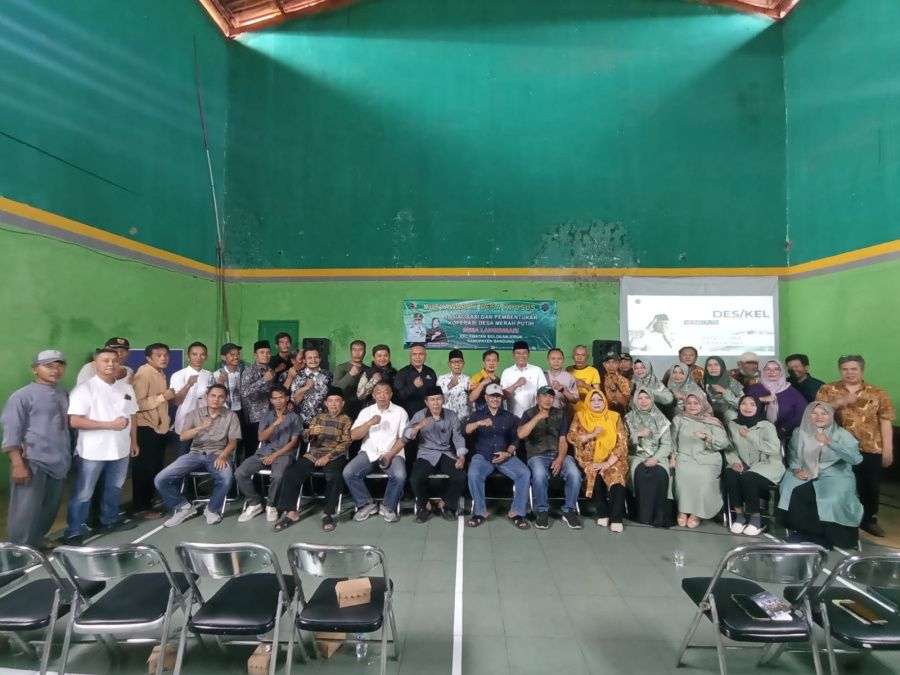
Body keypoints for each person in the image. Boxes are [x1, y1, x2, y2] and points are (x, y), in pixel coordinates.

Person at [64, 348, 139, 544]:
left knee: (114, 488)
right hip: (92, 452)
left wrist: (134, 441)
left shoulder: (126, 388)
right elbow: (75, 421)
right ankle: (74, 530)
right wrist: (109, 425)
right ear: (95, 363)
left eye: (115, 360)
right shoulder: (84, 389)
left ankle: (109, 520)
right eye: (105, 360)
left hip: (121, 450)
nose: (111, 364)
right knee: (84, 492)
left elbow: (132, 416)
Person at [816, 355, 895, 538]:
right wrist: (839, 402)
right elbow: (817, 412)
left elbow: (885, 421)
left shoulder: (878, 393)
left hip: (870, 447)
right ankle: (839, 520)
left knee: (870, 486)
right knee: (840, 485)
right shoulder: (828, 389)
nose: (849, 372)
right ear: (840, 370)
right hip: (836, 448)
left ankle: (868, 520)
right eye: (845, 369)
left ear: (862, 370)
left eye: (854, 369)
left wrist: (888, 449)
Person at [2, 350, 71, 548]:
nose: (55, 370)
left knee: (49, 508)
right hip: (32, 461)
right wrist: (18, 464)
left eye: (59, 365)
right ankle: (19, 552)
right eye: (49, 366)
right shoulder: (22, 396)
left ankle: (38, 540)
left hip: (59, 461)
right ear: (35, 369)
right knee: (25, 511)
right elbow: (12, 432)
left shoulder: (62, 393)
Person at [778, 401, 863, 549]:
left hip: (835, 474)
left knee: (828, 499)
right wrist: (796, 469)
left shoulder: (842, 434)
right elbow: (793, 454)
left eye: (824, 413)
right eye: (815, 413)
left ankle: (826, 537)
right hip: (805, 470)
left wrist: (830, 442)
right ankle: (801, 532)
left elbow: (856, 459)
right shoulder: (800, 432)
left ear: (831, 416)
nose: (819, 417)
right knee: (793, 490)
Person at [155, 383, 240, 527]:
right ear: (206, 397)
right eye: (213, 396)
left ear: (225, 399)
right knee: (160, 479)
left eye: (220, 397)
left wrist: (223, 456)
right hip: (195, 454)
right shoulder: (194, 414)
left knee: (226, 478)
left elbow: (233, 443)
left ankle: (212, 509)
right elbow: (183, 436)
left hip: (218, 454)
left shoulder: (231, 416)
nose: (216, 399)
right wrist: (201, 427)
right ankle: (183, 507)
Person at [273, 387, 351, 533]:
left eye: (337, 401)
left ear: (342, 403)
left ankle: (328, 514)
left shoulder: (346, 419)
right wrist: (310, 433)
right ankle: (291, 512)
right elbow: (305, 436)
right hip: (314, 453)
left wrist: (328, 457)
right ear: (326, 403)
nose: (334, 404)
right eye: (330, 401)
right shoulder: (319, 417)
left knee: (334, 476)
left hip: (334, 455)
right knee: (291, 472)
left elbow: (346, 443)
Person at [464, 384, 531, 530]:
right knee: (473, 474)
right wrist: (479, 423)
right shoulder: (477, 415)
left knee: (524, 473)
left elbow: (515, 440)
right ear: (486, 397)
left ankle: (516, 512)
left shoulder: (510, 417)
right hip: (483, 456)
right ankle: (480, 512)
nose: (495, 399)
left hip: (504, 456)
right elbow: (467, 430)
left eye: (498, 396)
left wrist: (508, 453)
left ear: (501, 398)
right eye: (492, 396)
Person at [518, 386, 582, 529]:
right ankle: (542, 510)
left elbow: (563, 440)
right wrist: (537, 417)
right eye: (544, 396)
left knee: (575, 474)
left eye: (551, 396)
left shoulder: (560, 414)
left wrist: (560, 459)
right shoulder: (528, 413)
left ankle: (569, 510)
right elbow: (521, 434)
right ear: (537, 398)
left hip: (559, 454)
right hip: (537, 455)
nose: (548, 399)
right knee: (539, 475)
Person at [344, 382, 408, 522]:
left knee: (400, 475)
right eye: (378, 392)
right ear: (373, 395)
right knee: (348, 472)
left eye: (386, 392)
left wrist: (390, 454)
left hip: (392, 453)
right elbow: (353, 436)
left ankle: (388, 506)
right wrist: (369, 423)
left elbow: (403, 439)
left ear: (391, 395)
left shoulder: (400, 412)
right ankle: (366, 504)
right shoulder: (366, 412)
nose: (382, 395)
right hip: (369, 452)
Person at [235, 386, 300, 523]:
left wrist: (275, 456)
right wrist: (275, 424)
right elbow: (261, 437)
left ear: (287, 398)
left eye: (281, 397)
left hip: (284, 453)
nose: (278, 401)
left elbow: (294, 443)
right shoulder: (267, 416)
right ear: (271, 400)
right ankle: (255, 503)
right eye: (275, 398)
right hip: (264, 452)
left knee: (278, 476)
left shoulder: (294, 417)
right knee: (240, 472)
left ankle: (271, 505)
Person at [567, 389, 628, 532]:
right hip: (589, 458)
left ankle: (616, 518)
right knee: (594, 473)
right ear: (587, 402)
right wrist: (591, 435)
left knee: (616, 478)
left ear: (604, 402)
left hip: (613, 459)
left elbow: (622, 442)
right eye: (592, 400)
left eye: (599, 400)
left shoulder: (614, 417)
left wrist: (607, 463)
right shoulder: (580, 416)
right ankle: (603, 513)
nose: (596, 403)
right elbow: (571, 437)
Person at [405, 387, 467, 523]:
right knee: (415, 479)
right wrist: (418, 426)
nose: (436, 403)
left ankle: (445, 504)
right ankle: (425, 505)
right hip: (426, 453)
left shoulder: (451, 415)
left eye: (438, 399)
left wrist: (461, 456)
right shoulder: (420, 415)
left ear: (443, 400)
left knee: (461, 476)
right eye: (432, 400)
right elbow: (407, 435)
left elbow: (457, 437)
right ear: (426, 402)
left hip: (445, 453)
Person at [724, 395, 784, 536]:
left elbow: (773, 449)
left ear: (758, 407)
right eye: (744, 404)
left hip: (768, 465)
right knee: (730, 473)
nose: (748, 407)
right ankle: (740, 516)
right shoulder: (732, 425)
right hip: (744, 464)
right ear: (739, 406)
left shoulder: (767, 425)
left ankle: (756, 520)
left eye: (752, 404)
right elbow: (729, 448)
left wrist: (750, 436)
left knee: (748, 477)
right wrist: (735, 462)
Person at [131, 343, 179, 519]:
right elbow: (137, 404)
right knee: (144, 469)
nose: (163, 358)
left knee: (154, 467)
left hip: (159, 429)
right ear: (148, 358)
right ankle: (140, 508)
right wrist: (163, 397)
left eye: (166, 354)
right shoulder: (144, 373)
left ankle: (148, 502)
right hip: (146, 428)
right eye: (158, 355)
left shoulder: (160, 373)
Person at [671, 393, 730, 528]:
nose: (692, 406)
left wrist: (708, 438)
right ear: (684, 405)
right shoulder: (678, 419)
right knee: (682, 476)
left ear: (703, 404)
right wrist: (673, 456)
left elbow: (724, 443)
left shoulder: (712, 421)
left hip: (708, 458)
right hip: (684, 456)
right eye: (689, 403)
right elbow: (673, 441)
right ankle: (682, 510)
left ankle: (697, 513)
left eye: (696, 403)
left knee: (704, 478)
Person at [625, 386, 674, 528]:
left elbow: (667, 445)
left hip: (658, 456)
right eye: (640, 398)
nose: (643, 401)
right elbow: (622, 442)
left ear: (652, 399)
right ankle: (642, 516)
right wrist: (637, 435)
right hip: (636, 455)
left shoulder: (661, 419)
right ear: (635, 400)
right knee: (640, 472)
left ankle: (659, 516)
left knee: (660, 473)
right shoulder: (628, 418)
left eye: (646, 397)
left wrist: (655, 458)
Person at [170, 342, 214, 455]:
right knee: (183, 457)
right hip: (184, 421)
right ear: (188, 356)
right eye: (194, 354)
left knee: (202, 458)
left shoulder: (209, 375)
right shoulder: (178, 375)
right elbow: (176, 402)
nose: (198, 358)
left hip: (204, 423)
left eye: (202, 354)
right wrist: (188, 385)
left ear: (206, 357)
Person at [746, 360, 807, 441]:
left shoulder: (792, 392)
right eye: (768, 369)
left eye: (776, 369)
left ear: (781, 372)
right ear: (763, 371)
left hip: (784, 436)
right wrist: (761, 399)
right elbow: (743, 409)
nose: (772, 372)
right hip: (755, 434)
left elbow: (802, 413)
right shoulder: (753, 389)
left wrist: (784, 429)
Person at [238, 340, 274, 459]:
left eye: (268, 352)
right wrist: (263, 380)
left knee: (267, 450)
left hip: (269, 416)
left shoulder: (270, 370)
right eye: (262, 352)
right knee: (252, 451)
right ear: (255, 354)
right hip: (254, 418)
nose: (265, 355)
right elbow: (244, 392)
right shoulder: (249, 370)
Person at [500, 340, 548, 418]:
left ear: (528, 354)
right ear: (513, 354)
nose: (521, 356)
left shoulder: (537, 370)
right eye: (518, 353)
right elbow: (501, 396)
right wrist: (516, 385)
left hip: (533, 416)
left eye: (524, 353)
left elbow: (544, 393)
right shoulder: (506, 372)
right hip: (512, 416)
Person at [214, 342, 246, 453]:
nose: (236, 357)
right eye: (232, 354)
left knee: (239, 441)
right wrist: (220, 383)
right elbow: (213, 397)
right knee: (225, 442)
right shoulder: (217, 374)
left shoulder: (243, 373)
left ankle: (237, 462)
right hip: (225, 413)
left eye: (237, 354)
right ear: (223, 357)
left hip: (240, 412)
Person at [290, 347, 333, 426]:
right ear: (304, 360)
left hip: (323, 420)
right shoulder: (299, 376)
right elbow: (295, 401)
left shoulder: (328, 375)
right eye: (309, 358)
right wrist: (305, 388)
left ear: (320, 359)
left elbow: (332, 397)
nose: (313, 360)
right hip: (303, 421)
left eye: (316, 357)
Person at [394, 344, 437, 418]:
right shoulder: (402, 373)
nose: (418, 357)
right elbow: (397, 397)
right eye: (414, 354)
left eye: (421, 354)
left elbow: (434, 394)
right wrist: (413, 386)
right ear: (410, 356)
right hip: (408, 415)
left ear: (425, 356)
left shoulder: (431, 372)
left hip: (427, 415)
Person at [703, 356, 744, 422]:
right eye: (709, 365)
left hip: (728, 411)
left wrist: (725, 392)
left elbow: (743, 403)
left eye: (716, 365)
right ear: (706, 368)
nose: (713, 368)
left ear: (722, 367)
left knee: (731, 415)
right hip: (708, 412)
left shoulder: (732, 382)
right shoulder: (702, 381)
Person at [333, 339, 367, 417]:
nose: (357, 353)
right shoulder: (341, 368)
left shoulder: (368, 369)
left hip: (363, 409)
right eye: (354, 350)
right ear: (350, 351)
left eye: (360, 350)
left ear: (364, 352)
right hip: (345, 409)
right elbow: (335, 390)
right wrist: (350, 374)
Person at [437, 349, 470, 422]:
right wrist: (449, 386)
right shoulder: (441, 379)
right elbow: (437, 399)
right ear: (449, 364)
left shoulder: (468, 380)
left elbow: (471, 402)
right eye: (454, 362)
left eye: (460, 361)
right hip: (445, 420)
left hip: (463, 420)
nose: (457, 364)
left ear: (463, 363)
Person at [468, 349, 501, 413]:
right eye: (488, 360)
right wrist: (482, 384)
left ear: (497, 362)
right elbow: (471, 398)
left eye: (494, 360)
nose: (491, 363)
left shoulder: (498, 379)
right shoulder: (476, 377)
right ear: (484, 362)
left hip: (496, 415)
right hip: (481, 414)